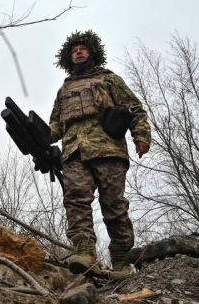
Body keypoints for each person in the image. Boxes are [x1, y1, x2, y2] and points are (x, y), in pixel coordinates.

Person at [49, 30, 151, 279]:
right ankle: (84, 252)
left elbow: (135, 109)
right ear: (68, 57)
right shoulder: (65, 89)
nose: (79, 52)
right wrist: (37, 137)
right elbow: (55, 125)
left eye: (83, 48)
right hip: (74, 153)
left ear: (92, 52)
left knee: (113, 205)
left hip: (108, 150)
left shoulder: (109, 80)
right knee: (75, 201)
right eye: (74, 50)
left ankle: (120, 260)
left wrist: (141, 136)